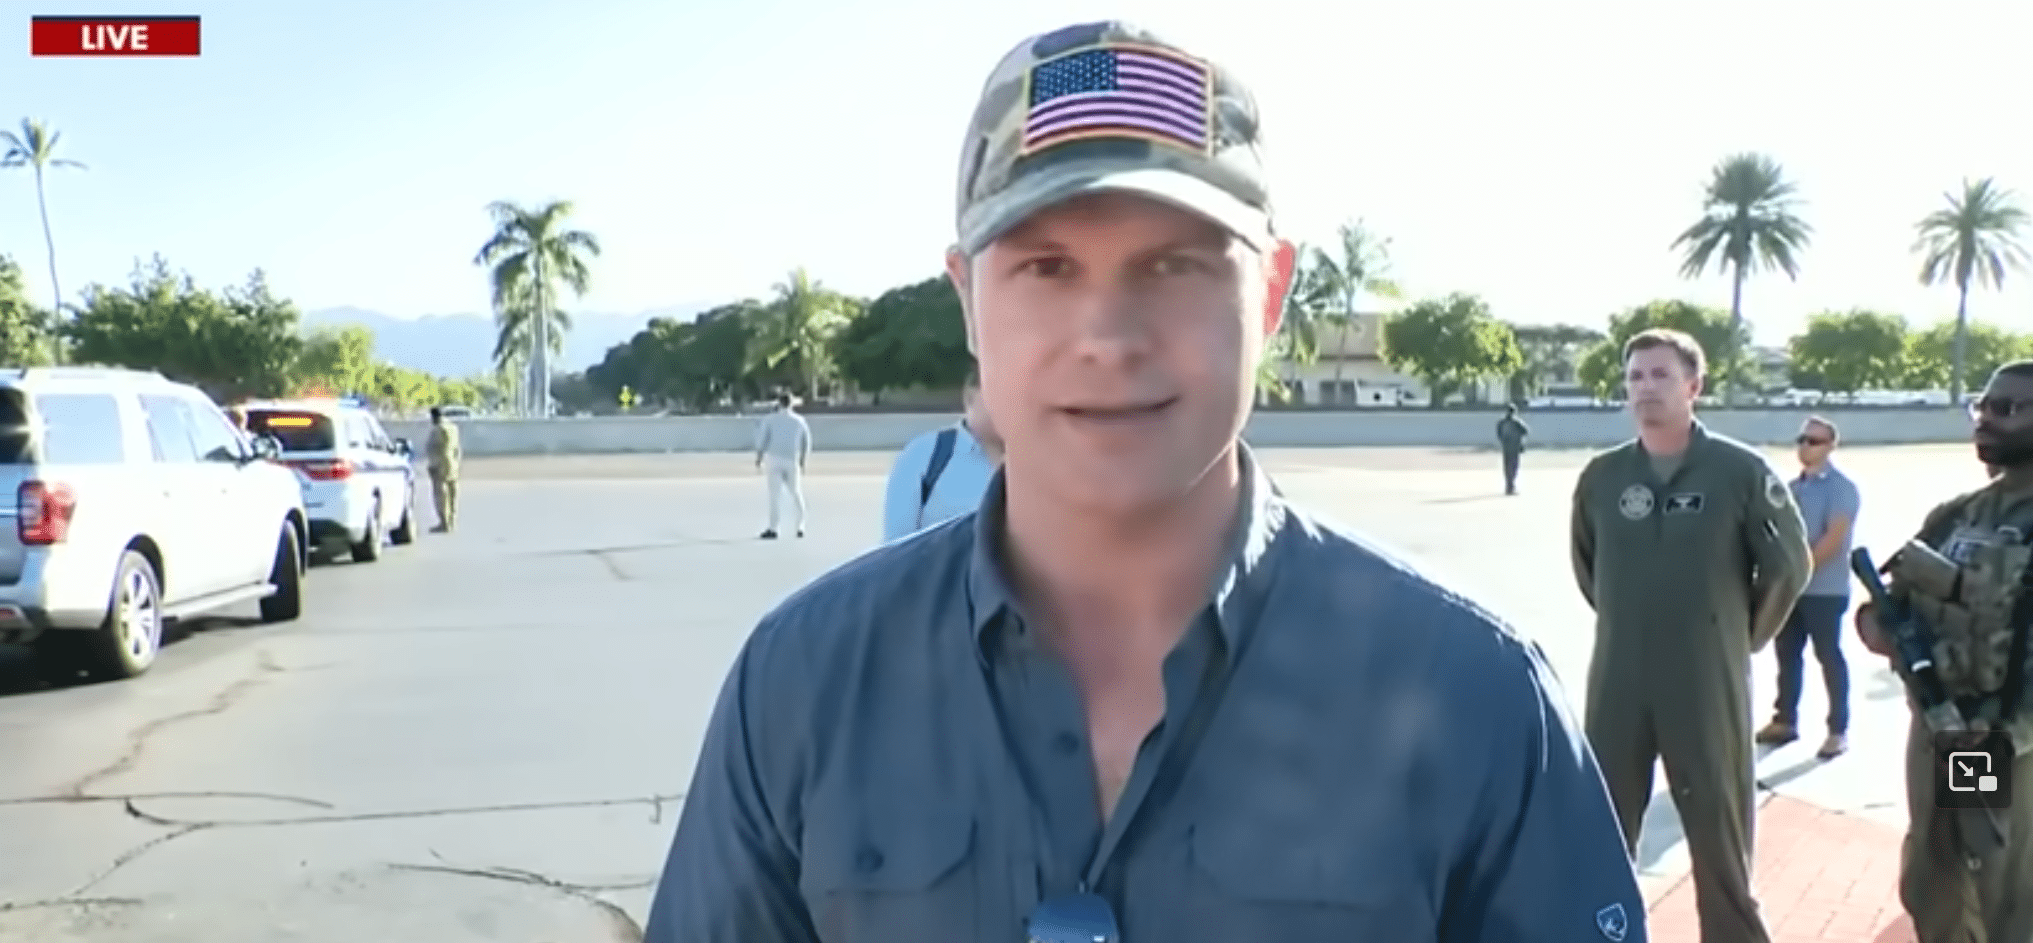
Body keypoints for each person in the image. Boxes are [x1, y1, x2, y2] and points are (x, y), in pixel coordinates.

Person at [645, 21, 1645, 943]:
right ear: (968, 300)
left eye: (1173, 266)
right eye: (1045, 268)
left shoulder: (1469, 691)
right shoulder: (803, 685)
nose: (1109, 338)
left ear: (1271, 290)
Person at [1569, 327, 1811, 943]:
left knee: (1718, 831)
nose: (1645, 387)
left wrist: (1736, 636)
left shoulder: (1739, 472)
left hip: (1705, 679)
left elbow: (1788, 566)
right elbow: (1590, 567)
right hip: (1619, 677)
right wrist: (1634, 618)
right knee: (1600, 830)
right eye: (1635, 376)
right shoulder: (1603, 477)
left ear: (1694, 386)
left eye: (1661, 375)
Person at [1855, 361, 2033, 943]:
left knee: (2000, 884)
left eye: (2008, 409)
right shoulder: (1958, 515)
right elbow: (1893, 603)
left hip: (2003, 739)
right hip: (1941, 728)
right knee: (1936, 876)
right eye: (1983, 406)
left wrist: (2006, 735)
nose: (1987, 419)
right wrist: (1884, 625)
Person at [1754, 416, 1861, 759]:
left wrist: (1800, 568)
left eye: (1814, 441)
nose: (1805, 447)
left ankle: (1837, 730)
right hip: (1791, 589)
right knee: (1787, 655)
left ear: (1830, 446)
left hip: (1825, 590)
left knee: (1829, 656)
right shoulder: (1790, 489)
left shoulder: (1841, 488)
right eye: (1802, 439)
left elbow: (1834, 537)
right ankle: (1785, 720)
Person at [880, 368, 1002, 542]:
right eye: (1000, 392)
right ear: (970, 397)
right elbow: (896, 547)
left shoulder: (1035, 460)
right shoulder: (923, 456)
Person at [753, 391, 810, 539]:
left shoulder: (770, 419)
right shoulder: (799, 421)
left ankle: (774, 528)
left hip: (774, 459)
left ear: (779, 403)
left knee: (775, 495)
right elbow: (806, 441)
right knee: (795, 492)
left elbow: (763, 439)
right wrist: (803, 460)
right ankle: (800, 526)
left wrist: (759, 457)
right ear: (791, 403)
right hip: (791, 459)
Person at [425, 405, 461, 533]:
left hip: (440, 464)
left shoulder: (438, 429)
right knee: (452, 494)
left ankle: (444, 523)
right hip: (453, 463)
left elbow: (435, 449)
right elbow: (457, 447)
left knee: (441, 495)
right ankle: (452, 521)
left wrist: (432, 465)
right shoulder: (453, 427)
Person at [1495, 403, 1530, 495]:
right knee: (1513, 467)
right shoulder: (1516, 422)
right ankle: (1510, 486)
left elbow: (1499, 434)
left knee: (1507, 467)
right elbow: (1526, 431)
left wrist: (1504, 441)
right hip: (1514, 448)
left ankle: (1508, 486)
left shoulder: (1501, 422)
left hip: (1506, 448)